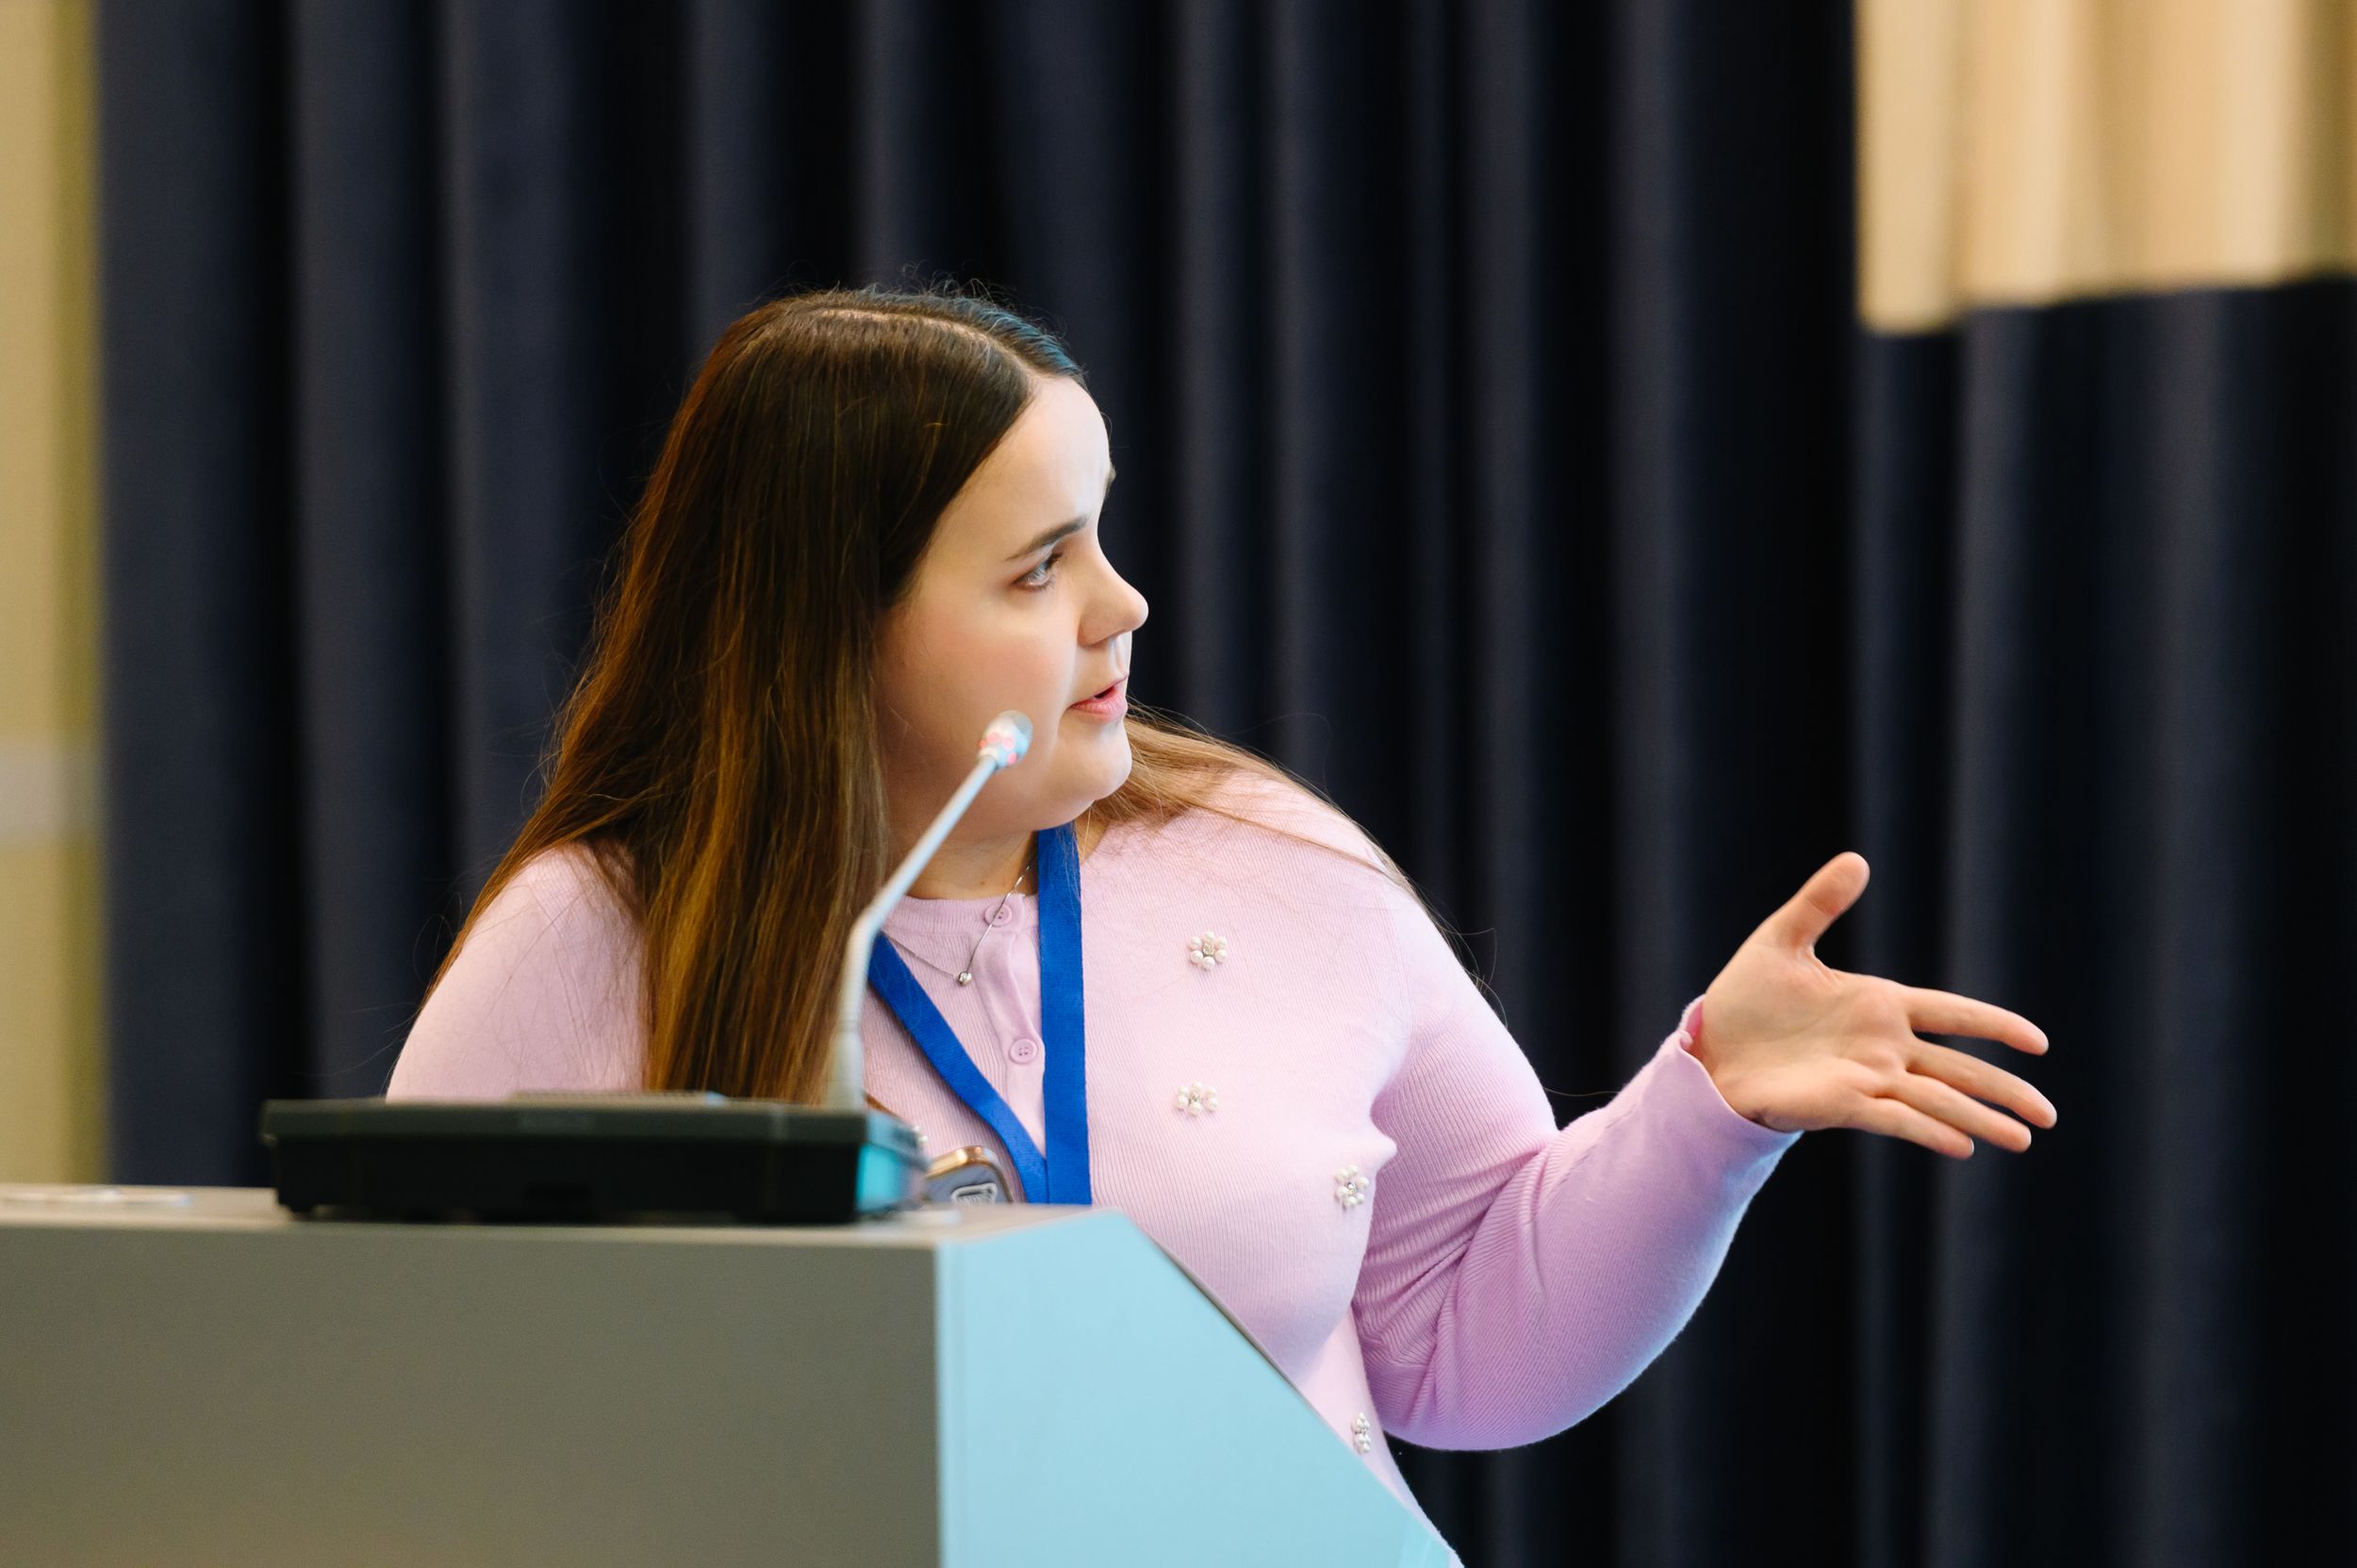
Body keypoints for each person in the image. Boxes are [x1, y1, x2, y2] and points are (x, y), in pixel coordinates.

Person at [387, 282, 2056, 1559]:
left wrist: (1709, 1110)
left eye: (1101, 535)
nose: (1122, 603)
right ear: (833, 629)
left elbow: (1470, 1344)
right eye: (1039, 568)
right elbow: (432, 1434)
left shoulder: (1269, 860)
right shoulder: (590, 940)